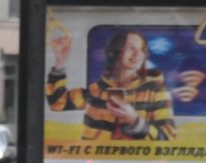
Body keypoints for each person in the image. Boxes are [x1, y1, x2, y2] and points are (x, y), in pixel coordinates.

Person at [46, 27, 176, 141]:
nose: (138, 54)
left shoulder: (157, 90)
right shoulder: (98, 89)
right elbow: (58, 103)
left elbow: (168, 136)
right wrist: (60, 62)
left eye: (141, 49)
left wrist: (135, 121)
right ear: (114, 52)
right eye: (130, 48)